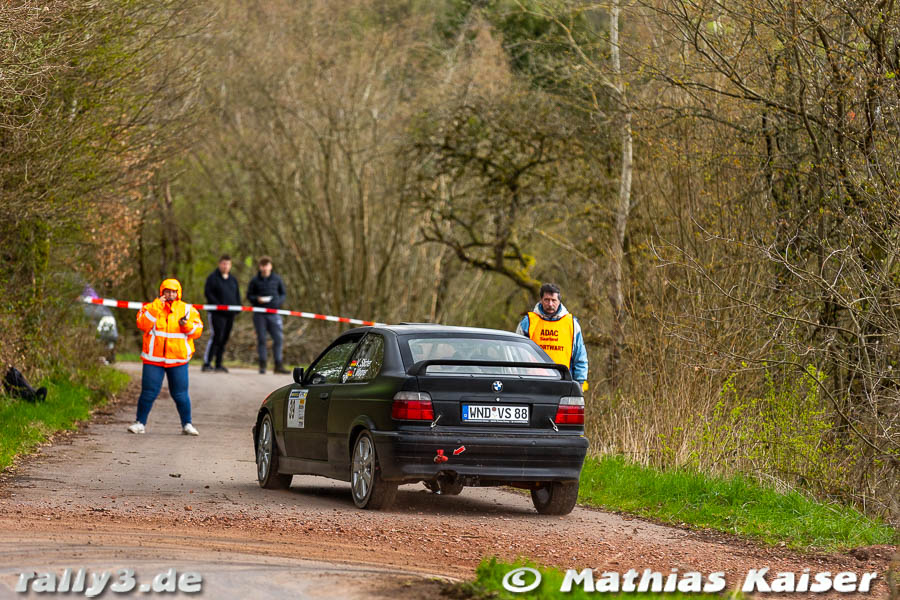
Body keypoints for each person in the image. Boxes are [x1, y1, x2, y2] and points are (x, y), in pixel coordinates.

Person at [128, 278, 203, 435]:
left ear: (178, 293)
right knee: (148, 393)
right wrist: (156, 307)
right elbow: (142, 324)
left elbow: (197, 331)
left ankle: (187, 424)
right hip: (153, 359)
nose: (170, 294)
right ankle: (139, 423)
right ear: (161, 292)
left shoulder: (188, 309)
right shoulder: (150, 307)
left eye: (173, 292)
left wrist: (185, 325)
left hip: (178, 359)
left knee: (181, 395)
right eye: (167, 291)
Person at [516, 283, 589, 391]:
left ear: (559, 301)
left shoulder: (571, 324)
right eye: (546, 300)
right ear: (541, 300)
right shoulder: (528, 322)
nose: (550, 304)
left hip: (563, 382)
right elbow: (516, 353)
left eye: (553, 300)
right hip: (532, 383)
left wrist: (580, 382)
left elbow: (580, 356)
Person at [247, 256, 288, 374]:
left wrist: (278, 302)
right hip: (259, 314)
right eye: (263, 266)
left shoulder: (277, 279)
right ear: (260, 267)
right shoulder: (254, 280)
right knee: (262, 339)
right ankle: (262, 365)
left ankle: (278, 365)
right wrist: (256, 299)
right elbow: (249, 295)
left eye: (267, 265)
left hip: (274, 313)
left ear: (270, 266)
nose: (265, 268)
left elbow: (283, 294)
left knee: (278, 339)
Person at [202, 255, 241, 373]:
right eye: (224, 264)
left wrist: (238, 307)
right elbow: (208, 294)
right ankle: (207, 362)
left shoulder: (233, 280)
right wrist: (219, 306)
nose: (225, 266)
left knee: (224, 338)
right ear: (219, 264)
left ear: (230, 265)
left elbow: (237, 295)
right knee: (216, 336)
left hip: (230, 314)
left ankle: (218, 363)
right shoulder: (212, 278)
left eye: (228, 264)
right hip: (216, 313)